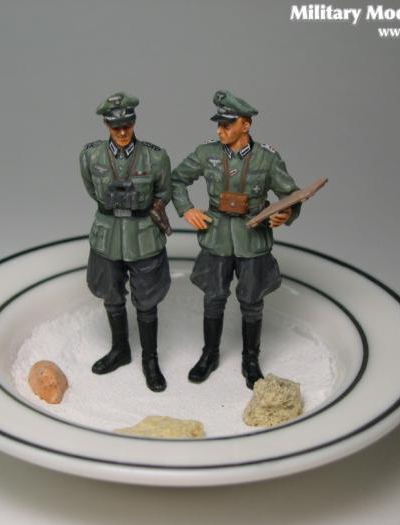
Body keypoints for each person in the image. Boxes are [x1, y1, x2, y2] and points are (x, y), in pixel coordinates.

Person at [171, 90, 301, 389]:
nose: (221, 130)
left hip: (252, 237)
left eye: (227, 124)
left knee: (252, 301)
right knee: (213, 298)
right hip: (217, 235)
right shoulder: (207, 153)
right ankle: (209, 354)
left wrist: (286, 214)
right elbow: (176, 179)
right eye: (219, 124)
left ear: (246, 125)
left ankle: (251, 360)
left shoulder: (267, 158)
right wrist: (186, 209)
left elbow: (291, 194)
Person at [80, 92, 172, 392]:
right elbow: (91, 189)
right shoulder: (91, 156)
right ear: (106, 125)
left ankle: (150, 359)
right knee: (111, 294)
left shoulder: (155, 157)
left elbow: (165, 192)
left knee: (147, 300)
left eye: (127, 125)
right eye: (115, 126)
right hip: (107, 235)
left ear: (134, 122)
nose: (122, 132)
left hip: (142, 235)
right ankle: (120, 349)